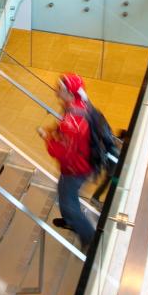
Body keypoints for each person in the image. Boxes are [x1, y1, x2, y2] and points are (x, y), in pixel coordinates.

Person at [39, 73, 95, 248]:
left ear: (70, 94)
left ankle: (89, 238)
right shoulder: (81, 105)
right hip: (85, 161)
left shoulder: (71, 121)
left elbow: (62, 153)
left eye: (59, 89)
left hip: (76, 169)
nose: (56, 91)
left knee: (69, 202)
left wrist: (47, 137)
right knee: (63, 191)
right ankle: (71, 221)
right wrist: (57, 130)